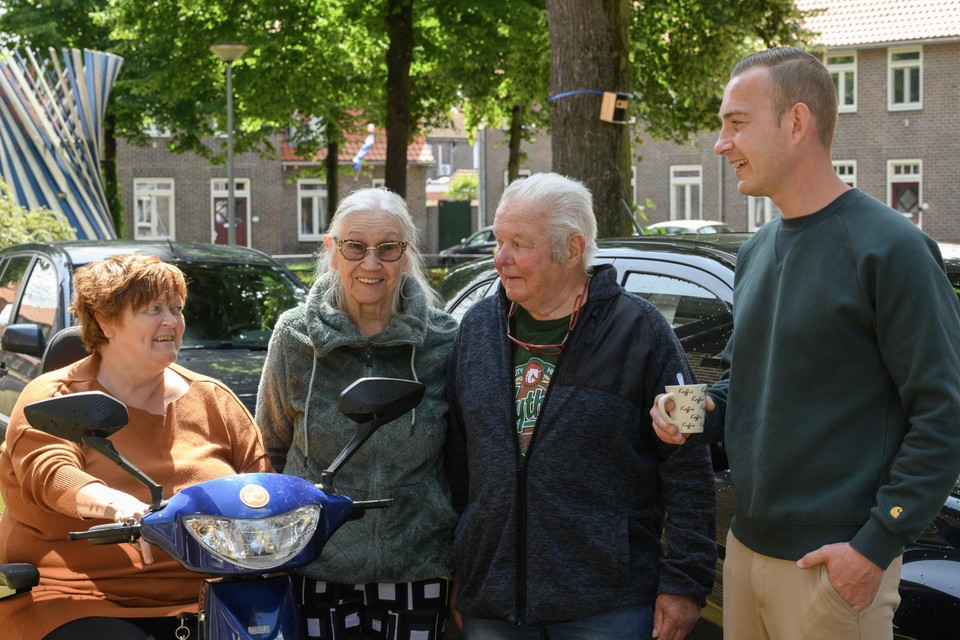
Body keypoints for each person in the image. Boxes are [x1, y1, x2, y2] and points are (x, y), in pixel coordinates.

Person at [651, 47, 960, 640]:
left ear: (796, 123)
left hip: (833, 568)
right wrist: (694, 413)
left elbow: (942, 415)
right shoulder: (756, 251)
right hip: (743, 554)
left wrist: (874, 547)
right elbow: (745, 383)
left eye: (736, 124)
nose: (721, 144)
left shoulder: (890, 250)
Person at [445, 172, 717, 640]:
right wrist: (459, 568)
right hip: (493, 600)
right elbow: (454, 461)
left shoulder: (646, 331)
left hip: (607, 604)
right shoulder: (476, 329)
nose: (500, 258)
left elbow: (689, 465)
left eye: (518, 243)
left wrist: (685, 585)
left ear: (572, 249)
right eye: (498, 240)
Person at [0, 254, 272, 640]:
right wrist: (122, 506)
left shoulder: (214, 400)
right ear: (104, 321)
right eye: (153, 309)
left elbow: (262, 490)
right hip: (78, 599)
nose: (172, 322)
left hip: (212, 600)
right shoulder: (52, 397)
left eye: (176, 309)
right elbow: (51, 474)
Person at [256, 187, 459, 640]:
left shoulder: (443, 342)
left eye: (388, 248)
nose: (371, 264)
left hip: (417, 567)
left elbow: (463, 462)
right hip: (315, 567)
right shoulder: (295, 337)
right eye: (355, 246)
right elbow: (267, 448)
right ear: (331, 249)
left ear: (407, 255)